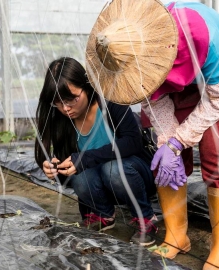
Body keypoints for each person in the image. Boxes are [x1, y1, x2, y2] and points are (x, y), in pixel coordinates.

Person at [85, 0, 219, 269]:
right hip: (181, 69)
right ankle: (177, 236)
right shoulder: (126, 57)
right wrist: (168, 144)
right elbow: (152, 100)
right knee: (163, 152)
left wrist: (179, 140)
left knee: (216, 146)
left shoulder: (196, 33)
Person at [34, 57, 158, 246]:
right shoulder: (62, 121)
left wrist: (86, 158)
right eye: (58, 103)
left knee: (113, 169)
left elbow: (133, 142)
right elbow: (69, 176)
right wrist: (55, 169)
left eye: (72, 99)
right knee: (80, 176)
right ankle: (103, 215)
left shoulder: (110, 102)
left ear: (87, 86)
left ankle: (145, 218)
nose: (66, 108)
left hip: (134, 176)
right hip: (102, 186)